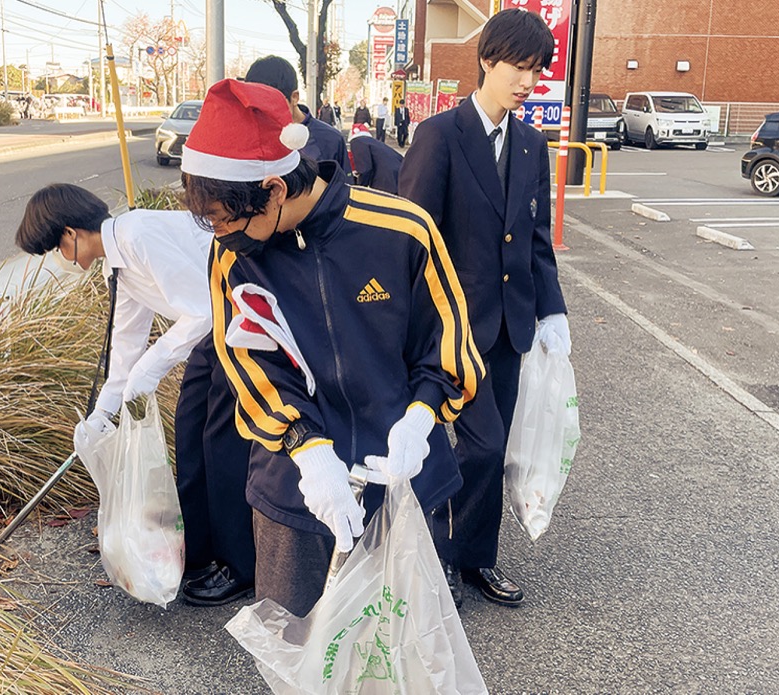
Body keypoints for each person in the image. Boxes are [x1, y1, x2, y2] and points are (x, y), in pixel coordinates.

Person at [179, 78, 483, 618]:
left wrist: (420, 420)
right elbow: (247, 361)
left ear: (273, 189)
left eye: (228, 219)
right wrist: (304, 444)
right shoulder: (234, 255)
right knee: (295, 644)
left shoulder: (402, 230)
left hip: (404, 478)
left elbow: (448, 345)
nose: (222, 235)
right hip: (298, 491)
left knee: (406, 642)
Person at [398, 8, 570, 609]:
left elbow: (536, 239)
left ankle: (476, 559)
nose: (527, 81)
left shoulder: (530, 144)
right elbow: (410, 238)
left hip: (508, 327)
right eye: (519, 67)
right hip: (450, 326)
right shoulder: (439, 136)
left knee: (488, 451)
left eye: (536, 69)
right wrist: (407, 324)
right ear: (487, 60)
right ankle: (440, 557)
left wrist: (553, 313)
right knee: (480, 445)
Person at [13, 184, 255, 607]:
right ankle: (197, 554)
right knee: (189, 434)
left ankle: (240, 568)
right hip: (213, 334)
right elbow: (125, 348)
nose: (59, 259)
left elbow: (203, 308)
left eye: (55, 248)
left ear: (70, 234)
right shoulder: (117, 266)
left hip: (240, 326)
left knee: (219, 444)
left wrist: (150, 368)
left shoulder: (137, 235)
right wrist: (101, 415)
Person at [245, 55, 352, 178]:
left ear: (294, 97)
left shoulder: (329, 140)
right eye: (256, 107)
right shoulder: (247, 139)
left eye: (271, 104)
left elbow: (344, 191)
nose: (264, 114)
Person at [349, 123, 403, 194]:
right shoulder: (373, 143)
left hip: (386, 181)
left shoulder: (357, 142)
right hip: (398, 175)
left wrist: (360, 188)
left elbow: (365, 168)